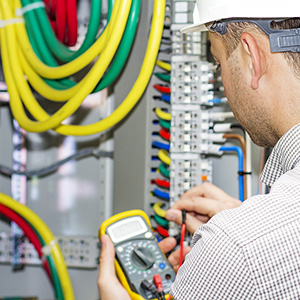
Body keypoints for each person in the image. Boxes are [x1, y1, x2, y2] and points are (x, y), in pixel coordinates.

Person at [98, 0, 300, 298]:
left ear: (251, 55)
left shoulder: (235, 248)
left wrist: (234, 239)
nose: (223, 82)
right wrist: (247, 221)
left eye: (218, 63)